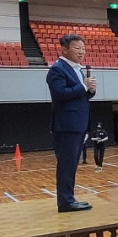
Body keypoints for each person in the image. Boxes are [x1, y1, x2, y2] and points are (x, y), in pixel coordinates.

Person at [45, 34, 96, 213]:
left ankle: (69, 198)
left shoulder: (76, 69)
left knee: (72, 164)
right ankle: (65, 201)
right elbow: (59, 93)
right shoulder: (57, 69)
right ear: (65, 49)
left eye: (83, 48)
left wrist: (89, 91)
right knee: (66, 164)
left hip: (78, 123)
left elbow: (79, 95)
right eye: (77, 48)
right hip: (66, 124)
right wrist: (82, 87)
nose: (81, 51)